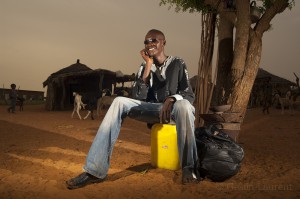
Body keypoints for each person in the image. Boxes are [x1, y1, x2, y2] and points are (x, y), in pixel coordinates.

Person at [66, 29, 200, 189]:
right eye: (146, 42)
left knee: (184, 104)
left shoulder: (177, 62)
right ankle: (94, 171)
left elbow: (188, 94)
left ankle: (189, 168)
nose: (150, 44)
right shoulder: (144, 66)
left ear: (163, 42)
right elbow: (137, 97)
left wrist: (172, 98)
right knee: (119, 102)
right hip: (152, 110)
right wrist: (148, 67)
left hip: (174, 110)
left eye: (154, 40)